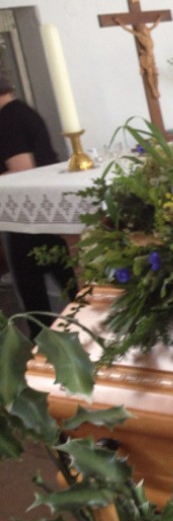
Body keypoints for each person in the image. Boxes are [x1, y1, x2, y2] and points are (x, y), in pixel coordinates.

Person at [0, 72, 77, 338]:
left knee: (34, 300)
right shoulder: (22, 111)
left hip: (30, 218)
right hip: (44, 212)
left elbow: (22, 169)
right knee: (69, 285)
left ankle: (44, 350)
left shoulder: (7, 119)